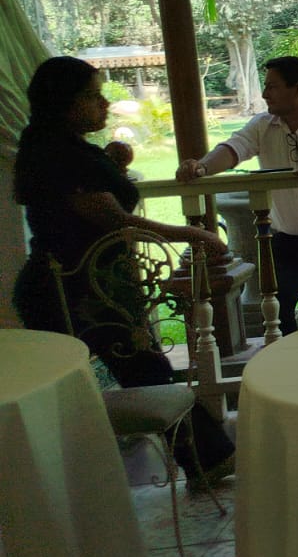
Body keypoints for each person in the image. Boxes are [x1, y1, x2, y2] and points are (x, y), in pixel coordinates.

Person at [11, 56, 235, 484]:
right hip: (70, 291)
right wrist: (191, 234)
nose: (104, 104)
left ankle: (207, 460)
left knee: (146, 372)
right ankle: (206, 460)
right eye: (92, 96)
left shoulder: (61, 146)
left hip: (87, 286)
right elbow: (112, 218)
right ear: (64, 102)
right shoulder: (55, 152)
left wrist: (112, 166)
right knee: (141, 374)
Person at [175, 56, 298, 332]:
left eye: (272, 87)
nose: (264, 94)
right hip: (284, 240)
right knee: (279, 312)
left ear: (297, 90)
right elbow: (234, 148)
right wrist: (201, 167)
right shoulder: (263, 124)